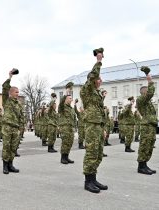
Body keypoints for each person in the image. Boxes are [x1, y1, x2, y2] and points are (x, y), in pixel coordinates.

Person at [80, 47, 108, 193]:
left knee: (98, 152)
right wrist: (98, 61)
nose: (100, 80)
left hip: (98, 125)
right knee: (91, 152)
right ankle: (88, 181)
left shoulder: (97, 94)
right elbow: (93, 75)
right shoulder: (87, 90)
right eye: (98, 78)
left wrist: (103, 128)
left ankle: (94, 178)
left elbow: (100, 112)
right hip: (91, 125)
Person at [1, 69, 24, 174]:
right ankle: (5, 166)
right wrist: (10, 77)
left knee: (13, 147)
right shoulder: (6, 100)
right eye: (16, 92)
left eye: (18, 92)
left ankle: (11, 164)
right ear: (10, 93)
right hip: (7, 127)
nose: (18, 94)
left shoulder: (18, 104)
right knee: (6, 146)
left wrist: (21, 127)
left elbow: (21, 116)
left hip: (15, 128)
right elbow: (5, 87)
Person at [136, 67, 157, 175]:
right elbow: (150, 94)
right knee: (144, 145)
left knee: (149, 145)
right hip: (146, 125)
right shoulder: (140, 99)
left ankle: (145, 164)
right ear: (143, 92)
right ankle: (141, 166)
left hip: (151, 125)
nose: (149, 92)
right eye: (147, 91)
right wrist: (150, 81)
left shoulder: (148, 102)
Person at [58, 83, 76, 164]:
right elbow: (61, 102)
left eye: (71, 98)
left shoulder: (71, 109)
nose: (71, 99)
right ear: (65, 99)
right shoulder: (62, 107)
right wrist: (66, 92)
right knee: (65, 142)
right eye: (69, 98)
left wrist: (74, 127)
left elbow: (74, 119)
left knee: (70, 142)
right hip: (64, 127)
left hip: (70, 127)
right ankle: (63, 158)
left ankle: (67, 156)